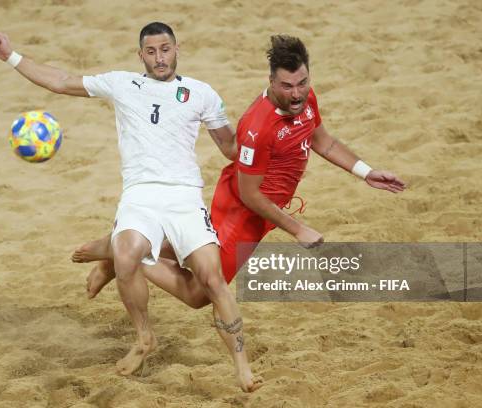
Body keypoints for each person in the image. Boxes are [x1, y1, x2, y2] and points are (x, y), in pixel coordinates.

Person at [0, 22, 263, 392]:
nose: (159, 57)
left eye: (165, 49)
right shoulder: (122, 84)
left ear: (176, 48)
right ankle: (144, 337)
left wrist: (266, 115)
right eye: (151, 51)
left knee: (212, 280)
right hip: (141, 195)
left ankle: (242, 366)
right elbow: (61, 81)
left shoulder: (201, 93)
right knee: (127, 252)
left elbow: (231, 149)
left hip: (184, 197)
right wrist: (10, 55)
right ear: (141, 55)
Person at [73, 34, 406, 307]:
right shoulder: (257, 127)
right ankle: (122, 254)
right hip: (243, 210)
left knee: (191, 251)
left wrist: (366, 171)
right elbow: (249, 194)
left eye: (302, 83)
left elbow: (324, 142)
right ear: (272, 82)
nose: (297, 94)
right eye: (288, 87)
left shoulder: (305, 98)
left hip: (267, 210)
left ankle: (124, 248)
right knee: (199, 295)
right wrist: (298, 229)